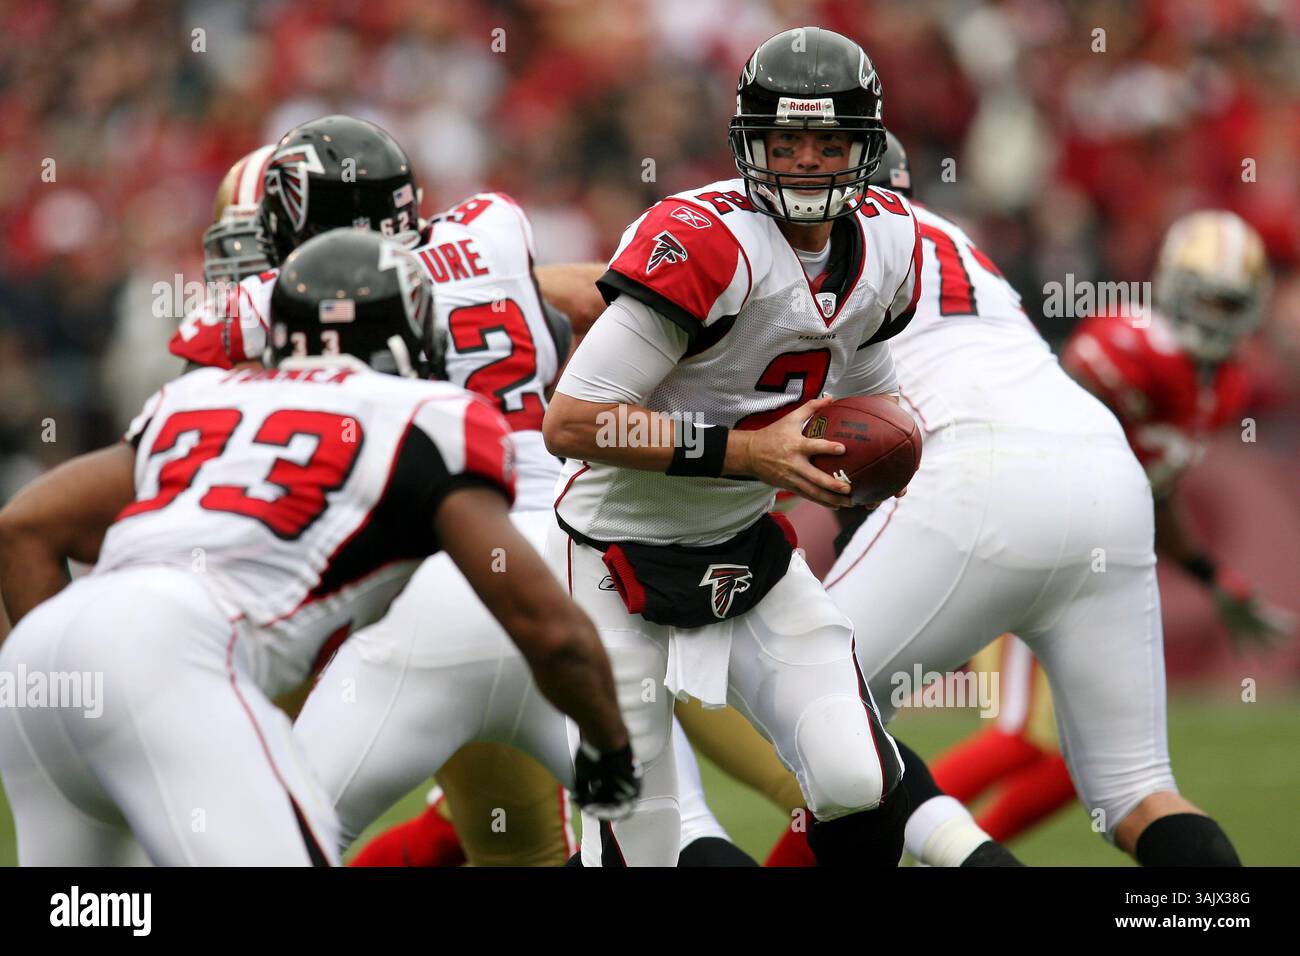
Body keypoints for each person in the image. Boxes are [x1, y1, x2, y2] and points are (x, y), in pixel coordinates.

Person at [0, 230, 636, 865]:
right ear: (410, 332)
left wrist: (80, 674)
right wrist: (609, 750)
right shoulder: (428, 413)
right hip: (171, 650)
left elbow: (22, 528)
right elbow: (548, 630)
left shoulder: (196, 397)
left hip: (39, 664)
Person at [793, 133, 1240, 866]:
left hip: (974, 470)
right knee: (1138, 791)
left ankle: (971, 858)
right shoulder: (955, 242)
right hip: (1104, 466)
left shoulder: (815, 243)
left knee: (810, 699)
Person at [542, 27, 923, 866]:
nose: (806, 164)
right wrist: (750, 454)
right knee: (642, 840)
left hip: (746, 548)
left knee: (856, 776)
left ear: (865, 147)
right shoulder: (706, 240)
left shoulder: (894, 238)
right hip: (614, 555)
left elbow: (867, 366)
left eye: (828, 143)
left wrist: (888, 443)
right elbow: (572, 421)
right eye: (785, 142)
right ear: (751, 142)